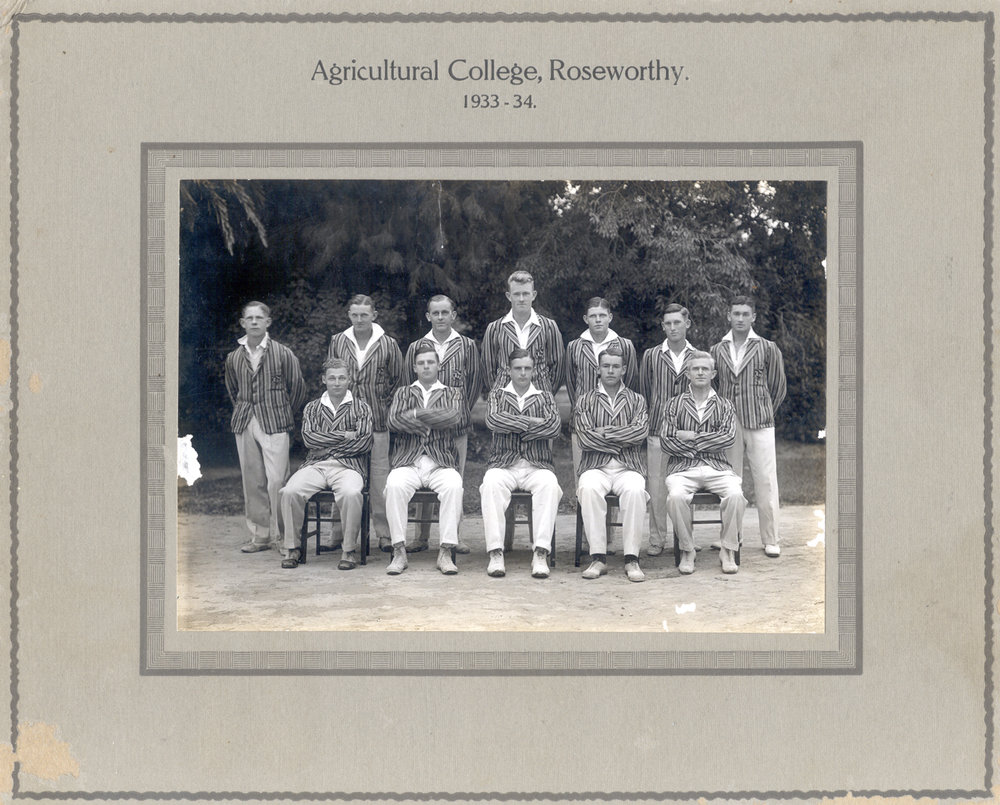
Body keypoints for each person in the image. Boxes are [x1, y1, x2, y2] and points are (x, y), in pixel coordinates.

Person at [223, 301, 306, 553]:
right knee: (252, 480)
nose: (255, 322)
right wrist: (246, 413)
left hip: (275, 422)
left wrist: (282, 413)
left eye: (260, 318)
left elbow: (298, 389)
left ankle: (284, 537)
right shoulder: (234, 357)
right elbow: (233, 390)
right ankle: (260, 536)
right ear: (243, 323)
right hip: (245, 421)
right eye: (250, 318)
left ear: (268, 322)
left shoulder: (283, 353)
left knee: (277, 481)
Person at [403, 294, 483, 555]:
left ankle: (453, 536)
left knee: (453, 479)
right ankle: (421, 536)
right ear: (428, 316)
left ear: (453, 315)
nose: (440, 317)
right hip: (424, 428)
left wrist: (459, 412)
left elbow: (473, 382)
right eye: (435, 313)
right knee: (423, 473)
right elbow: (408, 384)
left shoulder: (467, 345)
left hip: (455, 426)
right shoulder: (417, 346)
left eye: (445, 312)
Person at [277, 359, 374, 570]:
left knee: (350, 493)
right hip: (316, 465)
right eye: (332, 378)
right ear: (324, 380)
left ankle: (348, 550)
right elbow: (309, 440)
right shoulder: (313, 407)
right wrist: (345, 435)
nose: (337, 382)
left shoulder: (362, 407)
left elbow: (364, 442)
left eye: (341, 377)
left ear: (349, 379)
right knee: (289, 491)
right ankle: (292, 548)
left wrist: (328, 447)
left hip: (349, 466)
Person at [383, 340, 469, 576]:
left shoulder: (452, 392)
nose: (426, 366)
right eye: (421, 363)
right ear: (414, 367)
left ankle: (445, 551)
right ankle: (399, 551)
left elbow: (451, 417)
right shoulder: (403, 392)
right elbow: (393, 421)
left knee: (454, 485)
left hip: (440, 461)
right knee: (394, 485)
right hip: (408, 460)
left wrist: (416, 414)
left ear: (438, 365)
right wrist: (431, 417)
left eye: (431, 362)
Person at [709, 296, 787, 557]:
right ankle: (731, 538)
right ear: (728, 316)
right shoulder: (717, 349)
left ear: (753, 317)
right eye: (736, 314)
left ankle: (771, 539)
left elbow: (778, 387)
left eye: (745, 314)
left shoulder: (767, 347)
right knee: (730, 482)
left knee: (765, 481)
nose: (740, 318)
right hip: (729, 426)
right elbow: (716, 389)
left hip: (760, 423)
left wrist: (762, 410)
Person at [327, 294, 404, 553]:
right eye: (354, 314)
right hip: (345, 421)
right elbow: (332, 376)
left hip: (378, 421)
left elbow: (398, 381)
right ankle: (338, 533)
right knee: (342, 474)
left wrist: (384, 406)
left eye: (364, 314)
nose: (359, 319)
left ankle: (384, 534)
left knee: (379, 478)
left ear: (374, 315)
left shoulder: (388, 344)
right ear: (349, 315)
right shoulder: (338, 341)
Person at [480, 349, 563, 579]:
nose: (523, 373)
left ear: (534, 370)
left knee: (549, 484)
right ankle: (496, 553)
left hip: (536, 464)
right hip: (504, 463)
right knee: (491, 483)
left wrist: (514, 424)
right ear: (509, 369)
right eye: (518, 368)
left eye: (527, 368)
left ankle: (540, 552)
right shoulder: (497, 395)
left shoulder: (545, 397)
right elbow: (493, 420)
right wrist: (532, 422)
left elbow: (554, 427)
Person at [661, 352, 747, 574]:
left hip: (717, 467)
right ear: (688, 373)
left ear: (713, 373)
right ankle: (687, 550)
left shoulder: (725, 405)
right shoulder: (674, 404)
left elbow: (727, 438)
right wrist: (708, 439)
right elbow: (666, 441)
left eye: (705, 369)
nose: (700, 372)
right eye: (695, 369)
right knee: (676, 497)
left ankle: (727, 549)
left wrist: (690, 436)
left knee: (736, 495)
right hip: (682, 469)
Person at [573, 344, 649, 582]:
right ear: (598, 368)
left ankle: (632, 559)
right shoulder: (585, 400)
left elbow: (640, 433)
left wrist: (605, 432)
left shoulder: (636, 400)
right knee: (588, 487)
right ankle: (598, 558)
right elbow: (585, 438)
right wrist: (621, 436)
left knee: (636, 490)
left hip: (628, 465)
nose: (610, 370)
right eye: (606, 366)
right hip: (595, 466)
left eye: (616, 366)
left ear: (624, 369)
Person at [639, 303, 698, 556]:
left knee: (684, 487)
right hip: (657, 431)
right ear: (663, 326)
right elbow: (644, 390)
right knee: (657, 486)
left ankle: (685, 540)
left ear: (687, 324)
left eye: (677, 322)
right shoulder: (652, 355)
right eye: (668, 323)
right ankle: (656, 538)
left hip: (687, 433)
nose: (673, 327)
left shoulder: (698, 356)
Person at [565, 297, 638, 473]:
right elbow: (571, 382)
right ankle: (582, 501)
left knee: (620, 473)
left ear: (610, 317)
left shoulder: (625, 345)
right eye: (593, 316)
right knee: (583, 476)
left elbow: (631, 380)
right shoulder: (574, 346)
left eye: (602, 315)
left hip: (618, 422)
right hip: (584, 422)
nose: (598, 320)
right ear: (586, 319)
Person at [480, 270, 565, 395]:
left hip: (540, 398)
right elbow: (488, 369)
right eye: (516, 294)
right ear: (509, 296)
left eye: (525, 294)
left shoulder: (549, 326)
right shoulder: (494, 328)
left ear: (534, 295)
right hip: (505, 399)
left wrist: (546, 392)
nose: (521, 299)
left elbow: (558, 367)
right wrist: (499, 392)